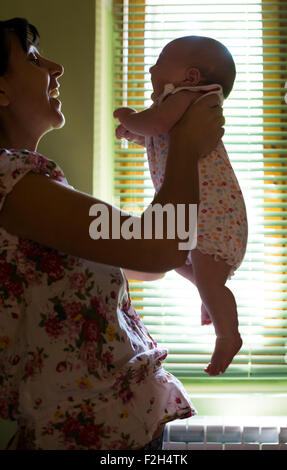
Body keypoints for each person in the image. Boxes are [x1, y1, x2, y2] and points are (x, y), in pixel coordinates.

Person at [0, 19, 224, 450]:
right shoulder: (12, 182)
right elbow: (156, 247)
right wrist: (185, 145)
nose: (55, 67)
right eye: (32, 59)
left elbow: (136, 260)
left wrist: (193, 270)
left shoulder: (29, 185)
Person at [114, 36, 248, 377]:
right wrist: (136, 135)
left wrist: (130, 118)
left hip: (212, 213)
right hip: (206, 214)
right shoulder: (183, 106)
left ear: (190, 76)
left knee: (206, 276)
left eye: (160, 60)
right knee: (177, 262)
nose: (151, 68)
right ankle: (209, 293)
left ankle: (227, 333)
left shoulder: (188, 97)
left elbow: (156, 124)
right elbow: (161, 134)